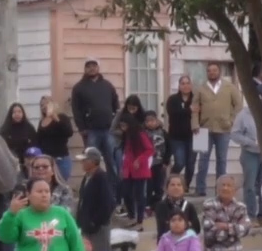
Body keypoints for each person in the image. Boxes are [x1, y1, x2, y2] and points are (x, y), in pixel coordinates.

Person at [196, 64, 241, 196]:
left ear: (219, 72)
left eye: (214, 70)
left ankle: (221, 190)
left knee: (222, 160)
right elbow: (194, 108)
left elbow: (238, 106)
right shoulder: (200, 88)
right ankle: (200, 189)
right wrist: (195, 125)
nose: (212, 73)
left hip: (224, 129)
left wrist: (231, 121)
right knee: (202, 161)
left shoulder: (229, 87)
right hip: (203, 129)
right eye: (209, 71)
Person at [72, 63, 121, 179]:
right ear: (85, 69)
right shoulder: (79, 87)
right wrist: (82, 128)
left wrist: (115, 122)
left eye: (94, 65)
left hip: (109, 130)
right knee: (90, 162)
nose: (91, 68)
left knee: (113, 162)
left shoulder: (107, 85)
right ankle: (91, 186)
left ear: (98, 68)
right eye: (88, 66)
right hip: (91, 131)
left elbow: (116, 104)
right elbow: (76, 110)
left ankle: (114, 192)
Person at [74, 147, 115, 251]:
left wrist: (95, 222)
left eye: (84, 160)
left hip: (98, 229)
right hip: (87, 227)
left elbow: (108, 204)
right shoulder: (87, 177)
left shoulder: (101, 178)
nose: (82, 163)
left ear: (93, 161)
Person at [119, 100, 155, 228]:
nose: (122, 128)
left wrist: (139, 160)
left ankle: (140, 220)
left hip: (140, 169)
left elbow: (150, 149)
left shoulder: (140, 134)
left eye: (124, 125)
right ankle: (131, 216)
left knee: (139, 195)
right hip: (128, 169)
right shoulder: (127, 135)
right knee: (126, 193)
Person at [163, 78, 198, 198]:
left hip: (193, 136)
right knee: (180, 162)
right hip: (176, 137)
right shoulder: (173, 99)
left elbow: (200, 113)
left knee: (191, 163)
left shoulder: (196, 99)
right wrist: (189, 110)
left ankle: (185, 186)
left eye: (188, 83)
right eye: (183, 84)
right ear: (179, 86)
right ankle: (170, 183)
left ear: (191, 85)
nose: (185, 86)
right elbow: (174, 113)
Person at [36, 98, 75, 180]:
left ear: (52, 104)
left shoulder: (62, 117)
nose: (44, 106)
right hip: (46, 160)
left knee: (62, 183)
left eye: (46, 103)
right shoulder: (41, 121)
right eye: (42, 105)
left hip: (61, 158)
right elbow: (39, 141)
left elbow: (69, 132)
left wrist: (56, 119)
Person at [0, 104, 37, 169]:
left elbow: (35, 146)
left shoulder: (29, 128)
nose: (17, 114)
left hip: (27, 164)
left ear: (23, 113)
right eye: (14, 112)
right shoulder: (5, 129)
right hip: (10, 164)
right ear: (11, 114)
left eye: (19, 112)